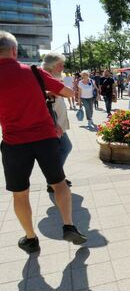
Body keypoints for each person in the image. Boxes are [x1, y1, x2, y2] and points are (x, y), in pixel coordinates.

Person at [0, 31, 87, 253]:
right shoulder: (33, 72)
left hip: (14, 142)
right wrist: (47, 92)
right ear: (15, 51)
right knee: (59, 183)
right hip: (46, 138)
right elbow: (68, 92)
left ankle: (30, 238)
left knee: (20, 193)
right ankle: (68, 225)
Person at [41, 52, 73, 192]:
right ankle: (54, 180)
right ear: (51, 65)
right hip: (54, 125)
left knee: (62, 149)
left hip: (57, 123)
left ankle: (56, 178)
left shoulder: (53, 77)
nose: (63, 67)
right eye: (60, 65)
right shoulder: (45, 78)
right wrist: (54, 125)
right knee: (65, 147)